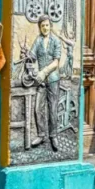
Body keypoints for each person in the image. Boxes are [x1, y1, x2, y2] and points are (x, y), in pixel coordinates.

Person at [29, 16, 64, 152]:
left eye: (47, 25)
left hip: (53, 79)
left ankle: (53, 136)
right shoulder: (38, 40)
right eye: (42, 25)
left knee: (52, 109)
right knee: (38, 108)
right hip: (41, 81)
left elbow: (56, 62)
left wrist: (43, 72)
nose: (45, 28)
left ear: (51, 26)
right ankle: (41, 135)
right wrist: (27, 57)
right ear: (40, 27)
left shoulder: (56, 41)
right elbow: (32, 56)